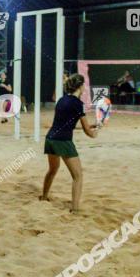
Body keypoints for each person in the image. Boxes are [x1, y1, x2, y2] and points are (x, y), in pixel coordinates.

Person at [40, 74, 98, 213]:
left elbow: (65, 123)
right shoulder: (79, 104)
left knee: (52, 170)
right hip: (63, 141)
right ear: (80, 86)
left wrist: (91, 126)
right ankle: (75, 209)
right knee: (78, 176)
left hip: (50, 139)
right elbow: (87, 132)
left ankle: (44, 197)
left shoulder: (61, 100)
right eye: (83, 85)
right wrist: (94, 133)